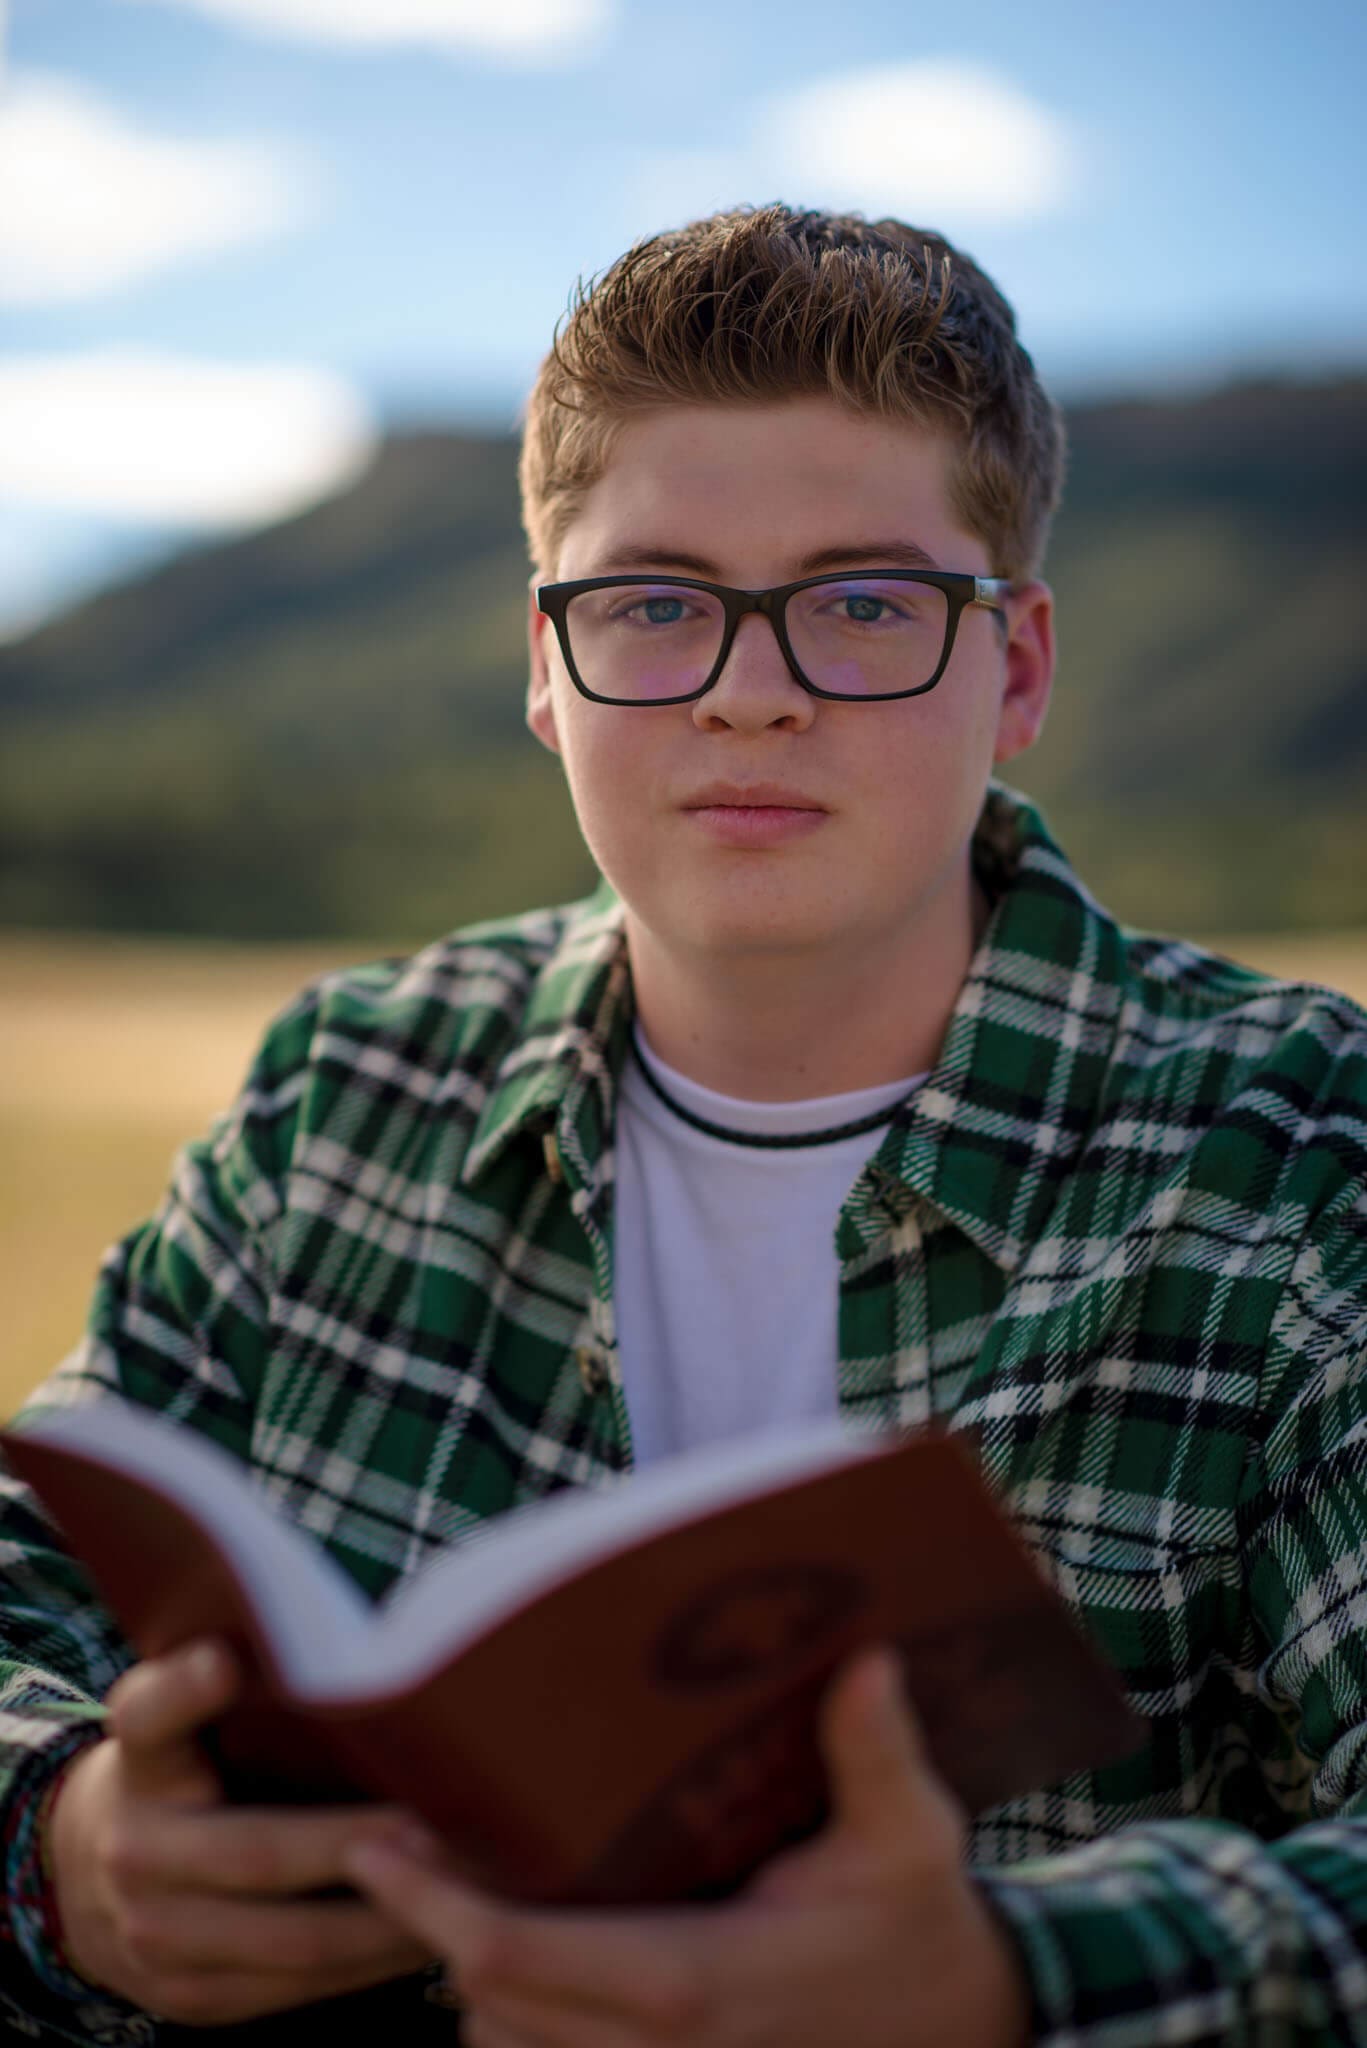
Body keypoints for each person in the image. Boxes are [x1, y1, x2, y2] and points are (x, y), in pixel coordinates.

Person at [1, 204, 1364, 2048]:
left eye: (866, 602)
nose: (751, 686)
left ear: (1020, 669)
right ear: (550, 673)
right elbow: (29, 1571)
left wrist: (999, 1981)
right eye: (653, 603)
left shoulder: (1290, 1159)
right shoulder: (346, 1091)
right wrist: (67, 1837)